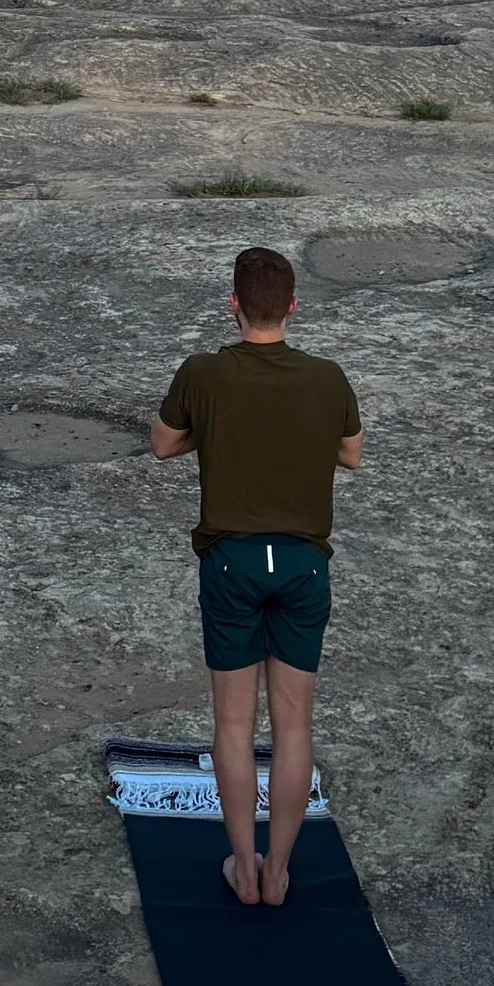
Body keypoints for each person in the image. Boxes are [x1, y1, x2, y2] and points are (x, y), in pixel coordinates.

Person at [150, 246, 362, 910]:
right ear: (294, 306)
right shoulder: (328, 378)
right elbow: (351, 455)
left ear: (233, 304)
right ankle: (280, 868)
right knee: (295, 725)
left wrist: (214, 434)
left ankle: (242, 865)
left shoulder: (204, 373)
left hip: (233, 564)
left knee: (233, 723)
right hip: (302, 565)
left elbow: (161, 442)